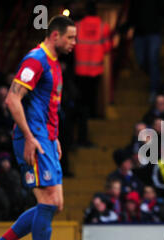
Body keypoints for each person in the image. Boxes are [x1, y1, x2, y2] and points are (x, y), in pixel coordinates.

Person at [0, 15, 76, 240]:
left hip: (45, 138)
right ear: (55, 35)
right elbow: (12, 99)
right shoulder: (37, 59)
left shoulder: (55, 65)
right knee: (48, 202)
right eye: (70, 37)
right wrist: (30, 137)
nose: (74, 43)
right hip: (32, 138)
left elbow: (47, 106)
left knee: (54, 204)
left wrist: (54, 136)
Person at [74, 0, 111, 146]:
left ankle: (82, 131)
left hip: (79, 71)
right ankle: (90, 121)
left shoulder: (77, 26)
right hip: (95, 71)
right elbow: (107, 48)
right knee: (89, 103)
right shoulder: (103, 27)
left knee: (80, 104)